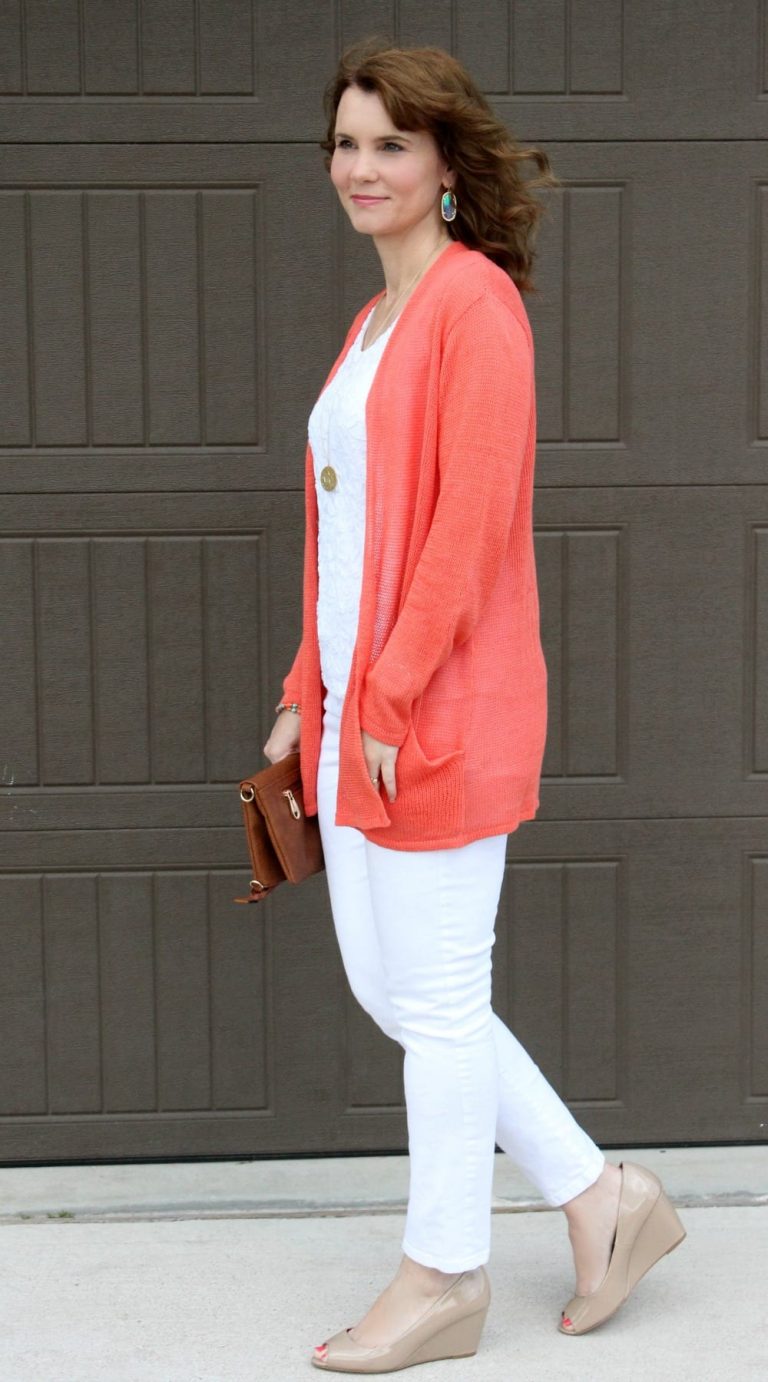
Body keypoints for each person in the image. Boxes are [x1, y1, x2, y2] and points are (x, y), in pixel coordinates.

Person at [263, 37, 686, 1376]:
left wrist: (385, 696)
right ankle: (604, 1196)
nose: (362, 167)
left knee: (439, 1000)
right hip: (356, 714)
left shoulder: (474, 305)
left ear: (447, 162)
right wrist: (308, 691)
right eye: (347, 143)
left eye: (391, 143)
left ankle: (444, 1272)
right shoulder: (370, 325)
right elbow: (343, 532)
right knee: (395, 991)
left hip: (434, 717)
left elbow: (469, 526)